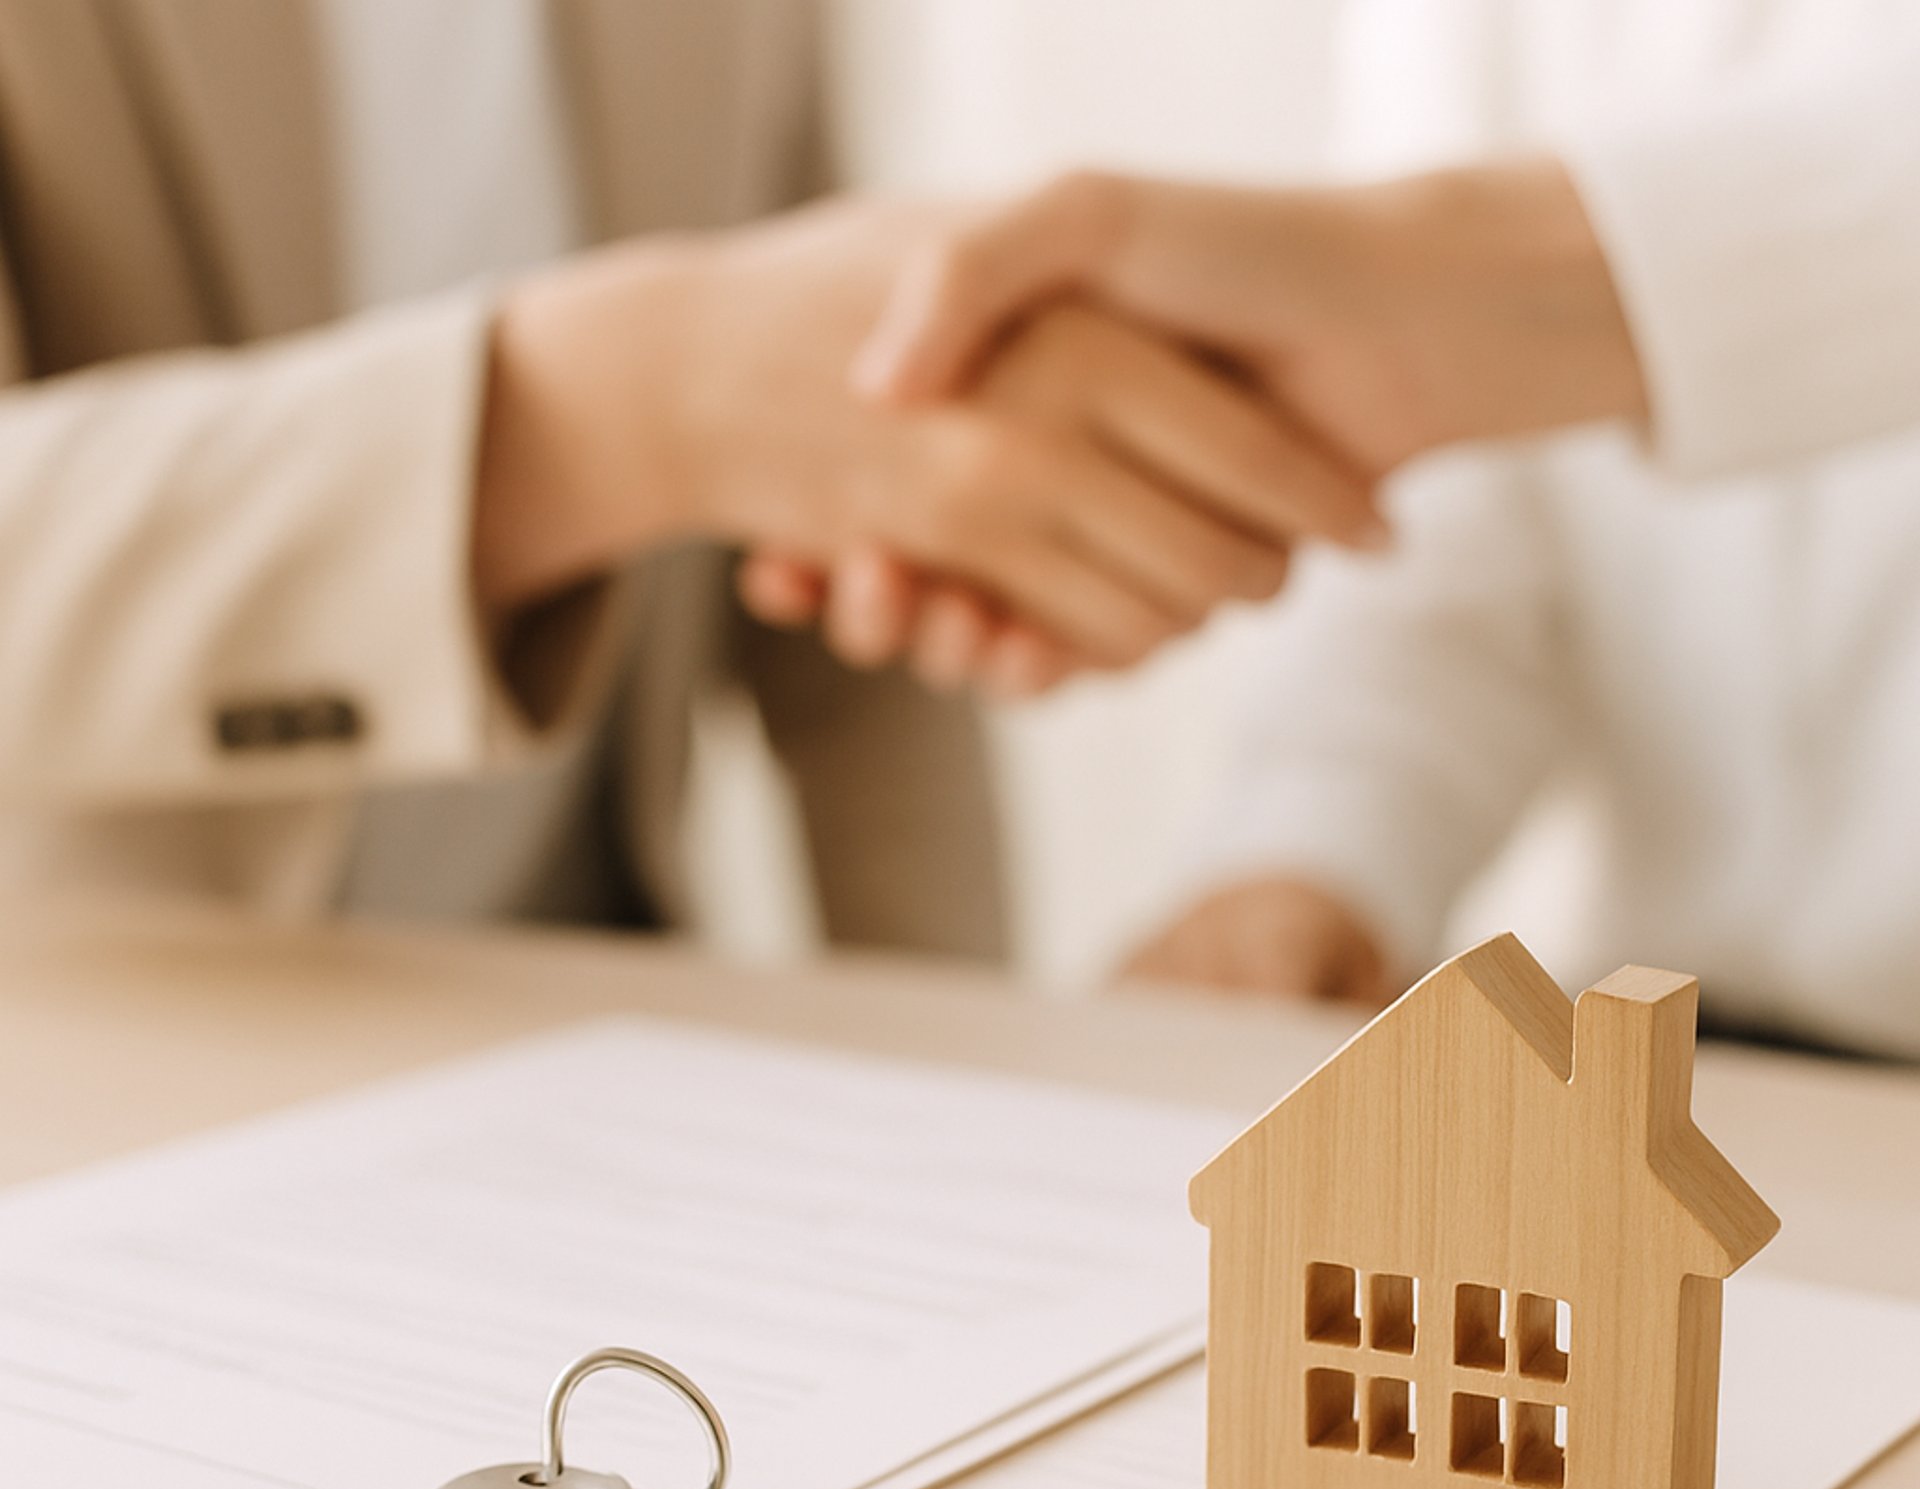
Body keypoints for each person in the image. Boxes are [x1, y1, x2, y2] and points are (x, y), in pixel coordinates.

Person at [0, 0, 1376, 950]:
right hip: (120, 1071)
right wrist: (603, 408)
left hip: (595, 1019)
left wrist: (944, 1043)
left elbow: (854, 472)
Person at [796, 0, 1920, 1058]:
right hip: (1689, 1049)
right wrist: (1314, 850)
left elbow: (1410, 317)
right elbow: (1453, 491)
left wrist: (1451, 269)